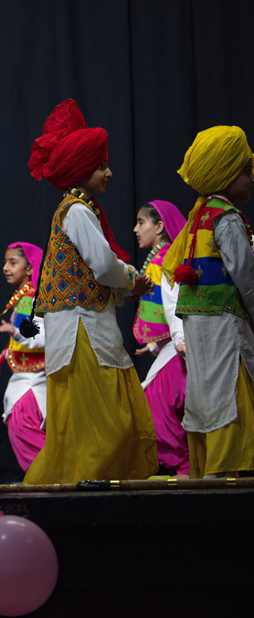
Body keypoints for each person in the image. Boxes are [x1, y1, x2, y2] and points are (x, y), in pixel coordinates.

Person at [24, 98, 157, 484]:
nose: (109, 173)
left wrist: (125, 283)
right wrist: (132, 279)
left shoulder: (75, 209)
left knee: (89, 424)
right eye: (101, 166)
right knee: (104, 423)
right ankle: (87, 493)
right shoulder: (79, 211)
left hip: (81, 326)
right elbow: (102, 265)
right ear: (82, 169)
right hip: (83, 330)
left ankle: (82, 490)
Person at [162, 126, 254, 478]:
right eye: (246, 171)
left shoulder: (198, 214)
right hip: (225, 321)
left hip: (198, 322)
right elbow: (246, 277)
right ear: (227, 174)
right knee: (231, 386)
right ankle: (230, 465)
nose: (252, 178)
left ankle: (210, 466)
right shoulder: (226, 218)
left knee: (205, 390)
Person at [131, 200, 189, 475]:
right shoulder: (159, 258)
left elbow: (175, 302)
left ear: (159, 227)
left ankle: (186, 466)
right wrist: (156, 343)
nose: (135, 229)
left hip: (180, 346)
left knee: (156, 405)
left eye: (141, 222)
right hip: (174, 345)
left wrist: (179, 339)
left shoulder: (165, 260)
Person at [0, 242, 47, 473]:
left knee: (24, 427)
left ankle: (50, 474)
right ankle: (46, 477)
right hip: (25, 379)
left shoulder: (33, 298)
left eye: (13, 263)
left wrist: (15, 332)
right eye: (5, 262)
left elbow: (42, 335)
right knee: (21, 428)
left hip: (33, 381)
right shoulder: (24, 297)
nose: (6, 268)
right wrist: (6, 352)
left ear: (30, 268)